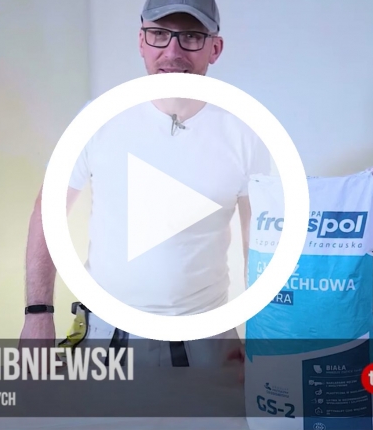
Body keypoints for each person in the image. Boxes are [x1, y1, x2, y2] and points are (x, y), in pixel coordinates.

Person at [19, 0, 270, 368]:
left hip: (209, 342)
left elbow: (259, 242)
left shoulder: (244, 133)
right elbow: (48, 210)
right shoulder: (98, 119)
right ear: (141, 41)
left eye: (191, 36)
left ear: (214, 48)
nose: (173, 52)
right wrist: (38, 313)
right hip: (108, 342)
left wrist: (267, 332)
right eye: (159, 34)